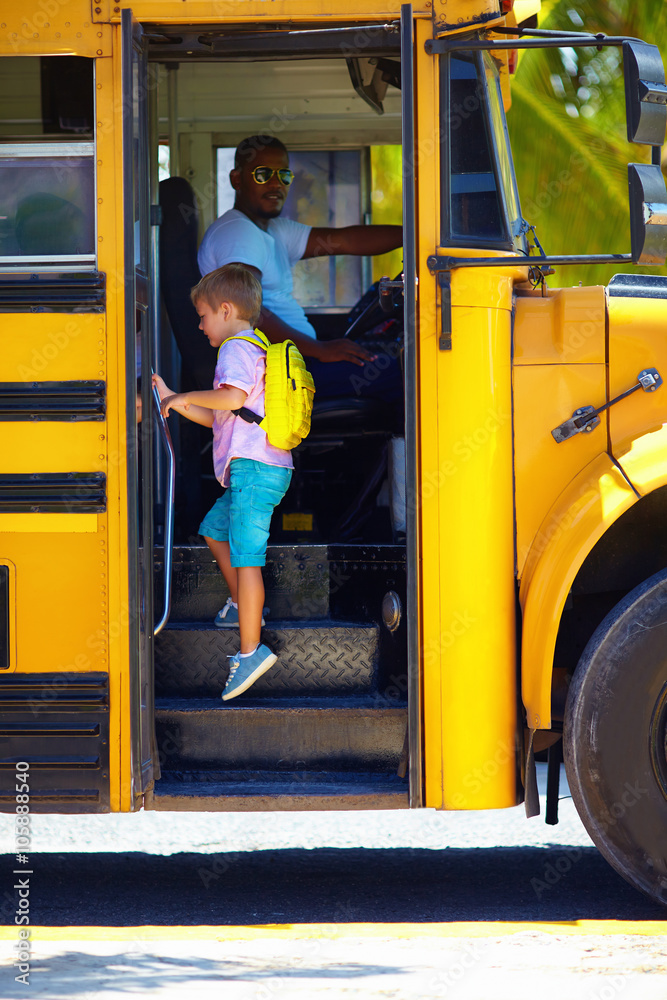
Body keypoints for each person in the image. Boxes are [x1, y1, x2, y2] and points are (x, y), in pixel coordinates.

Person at [152, 264, 293, 702]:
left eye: (203, 315)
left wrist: (187, 395)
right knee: (214, 531)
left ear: (226, 310)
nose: (199, 324)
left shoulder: (235, 348)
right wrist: (172, 399)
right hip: (256, 470)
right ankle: (241, 606)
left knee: (247, 559)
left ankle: (251, 651)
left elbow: (230, 399)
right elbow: (221, 416)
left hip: (254, 471)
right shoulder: (254, 347)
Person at [197, 134, 403, 402]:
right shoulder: (238, 233)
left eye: (284, 175)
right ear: (237, 179)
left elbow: (345, 240)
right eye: (263, 174)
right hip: (278, 376)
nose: (276, 184)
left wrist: (414, 235)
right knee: (407, 374)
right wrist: (320, 349)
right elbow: (247, 312)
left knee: (392, 364)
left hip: (294, 362)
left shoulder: (272, 230)